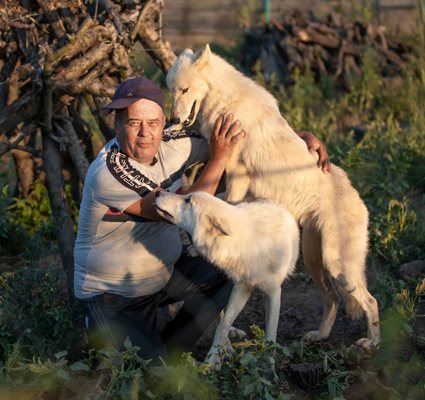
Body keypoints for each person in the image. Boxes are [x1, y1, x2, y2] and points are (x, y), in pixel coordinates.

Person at [73, 76, 329, 362]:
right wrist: (218, 161)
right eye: (134, 123)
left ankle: (170, 350)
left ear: (163, 121)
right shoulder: (108, 174)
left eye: (153, 123)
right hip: (114, 295)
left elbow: (242, 138)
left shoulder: (172, 143)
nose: (145, 133)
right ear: (117, 124)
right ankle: (106, 330)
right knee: (144, 376)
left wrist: (296, 140)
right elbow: (187, 208)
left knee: (231, 266)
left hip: (163, 277)